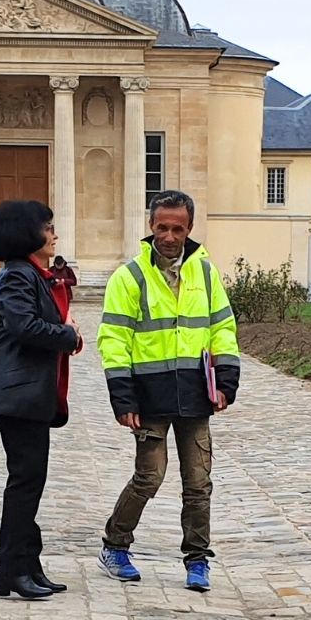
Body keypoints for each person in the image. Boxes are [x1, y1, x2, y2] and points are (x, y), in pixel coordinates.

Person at [98, 190, 239, 592]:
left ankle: (197, 559)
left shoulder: (206, 274)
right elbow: (114, 338)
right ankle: (115, 544)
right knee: (149, 477)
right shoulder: (130, 277)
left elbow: (222, 328)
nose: (170, 236)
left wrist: (226, 380)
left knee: (198, 483)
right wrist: (122, 397)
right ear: (150, 226)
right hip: (149, 398)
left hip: (196, 396)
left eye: (178, 228)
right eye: (162, 227)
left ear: (190, 228)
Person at [0, 199, 83, 600]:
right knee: (24, 483)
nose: (54, 233)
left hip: (26, 396)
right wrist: (69, 335)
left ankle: (27, 564)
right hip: (16, 395)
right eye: (48, 226)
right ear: (27, 233)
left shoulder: (30, 275)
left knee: (28, 481)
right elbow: (24, 327)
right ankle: (11, 569)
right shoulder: (18, 276)